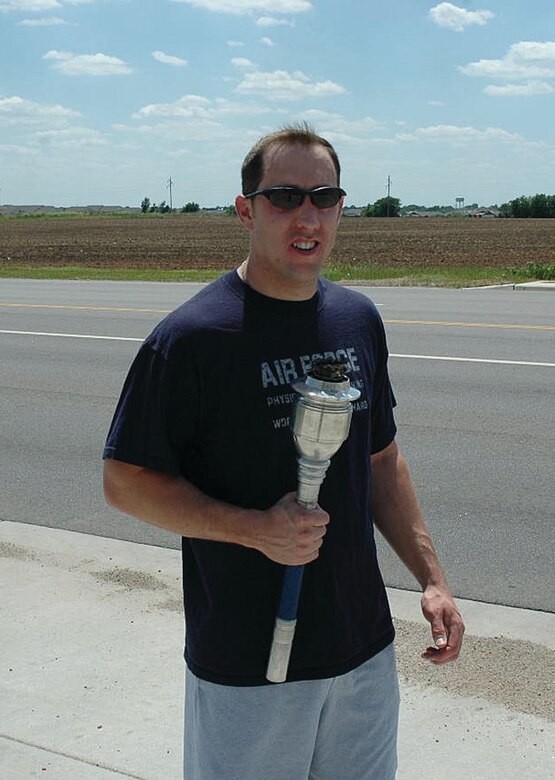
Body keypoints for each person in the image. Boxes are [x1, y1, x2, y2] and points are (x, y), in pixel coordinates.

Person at [103, 123, 464, 780]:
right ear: (246, 210)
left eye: (324, 196)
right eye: (285, 196)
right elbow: (125, 480)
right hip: (248, 661)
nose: (308, 214)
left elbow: (380, 460)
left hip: (361, 649)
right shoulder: (191, 339)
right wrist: (254, 530)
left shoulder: (357, 320)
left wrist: (432, 580)